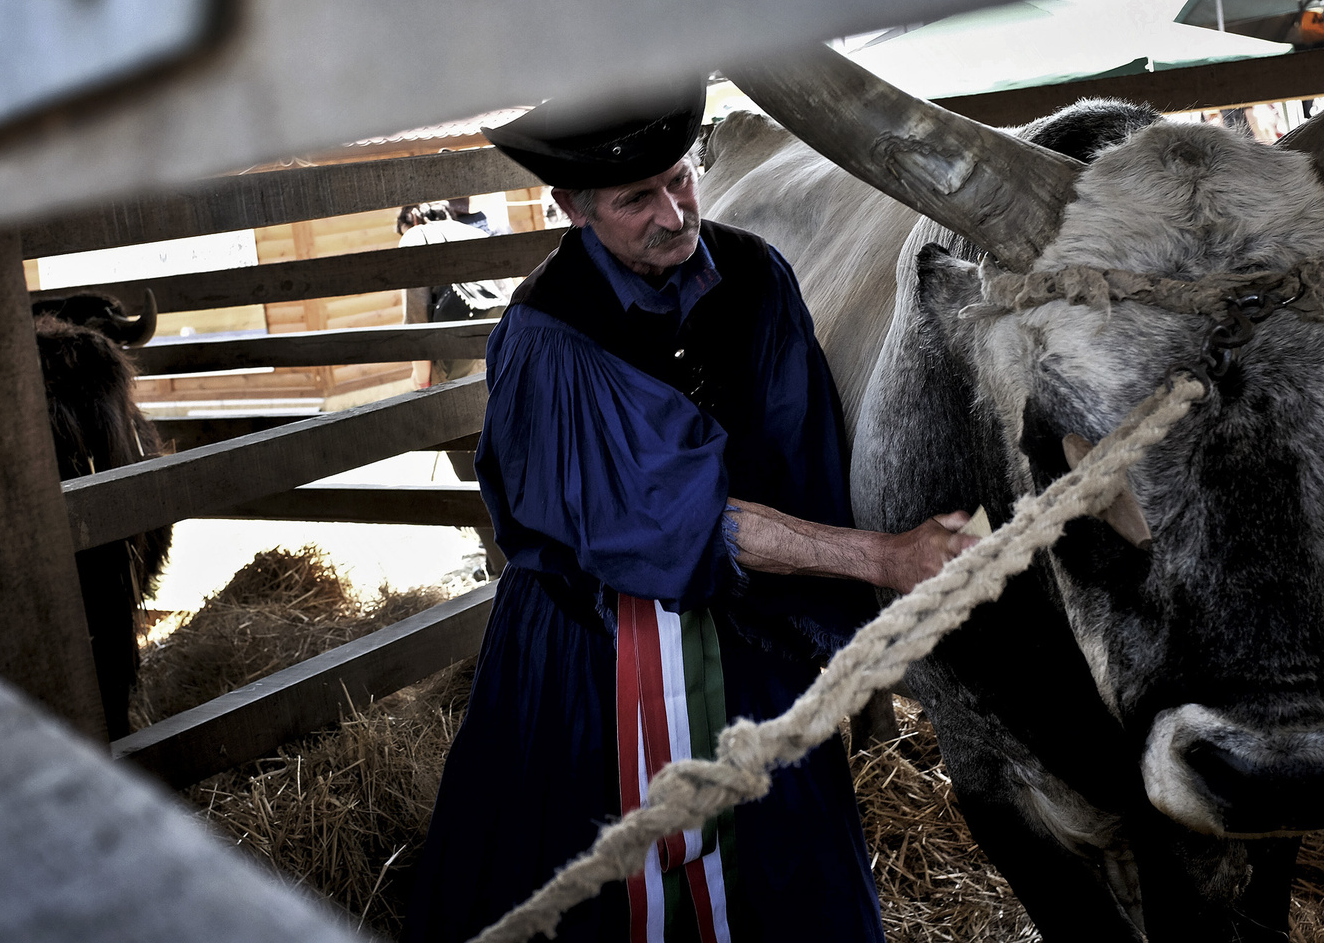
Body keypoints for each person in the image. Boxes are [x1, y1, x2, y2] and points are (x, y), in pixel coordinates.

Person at [403, 82, 978, 943]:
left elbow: (800, 453)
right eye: (637, 199)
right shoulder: (551, 337)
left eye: (680, 180)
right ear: (571, 207)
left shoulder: (753, 272)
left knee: (794, 881)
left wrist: (830, 623)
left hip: (754, 634)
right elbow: (687, 521)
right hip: (597, 655)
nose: (674, 214)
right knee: (595, 886)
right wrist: (883, 559)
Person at [398, 201, 511, 386]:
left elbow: (416, 321)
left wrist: (422, 380)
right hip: (499, 351)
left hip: (454, 363)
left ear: (414, 221)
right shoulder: (476, 233)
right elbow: (507, 293)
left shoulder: (414, 238)